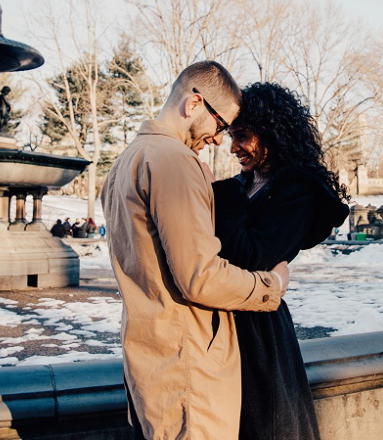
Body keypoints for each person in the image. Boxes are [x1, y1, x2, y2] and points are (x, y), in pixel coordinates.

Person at [100, 61, 288, 440]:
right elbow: (200, 278)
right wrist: (271, 285)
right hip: (189, 370)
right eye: (219, 125)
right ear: (194, 103)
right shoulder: (175, 161)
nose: (219, 139)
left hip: (151, 361)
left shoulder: (123, 163)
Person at [212, 82, 349, 440]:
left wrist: (222, 198)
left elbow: (251, 254)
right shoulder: (245, 185)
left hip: (258, 330)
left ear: (270, 130)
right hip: (224, 318)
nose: (233, 147)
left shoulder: (298, 192)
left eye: (242, 136)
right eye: (231, 135)